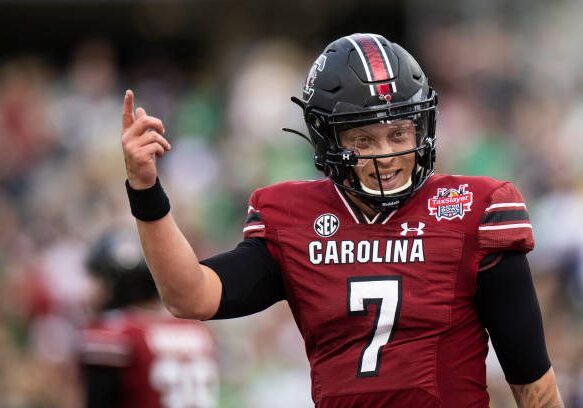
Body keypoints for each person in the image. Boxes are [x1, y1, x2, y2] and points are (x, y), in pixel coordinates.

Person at [120, 33, 563, 407]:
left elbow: (530, 377)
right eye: (364, 139)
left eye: (398, 133)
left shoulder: (473, 208)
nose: (387, 154)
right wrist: (145, 190)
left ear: (422, 128)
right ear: (327, 139)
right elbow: (189, 296)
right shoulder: (293, 218)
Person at [78, 228, 219, 408]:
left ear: (118, 282)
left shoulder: (114, 333)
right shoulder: (196, 330)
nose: (90, 290)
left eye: (99, 279)